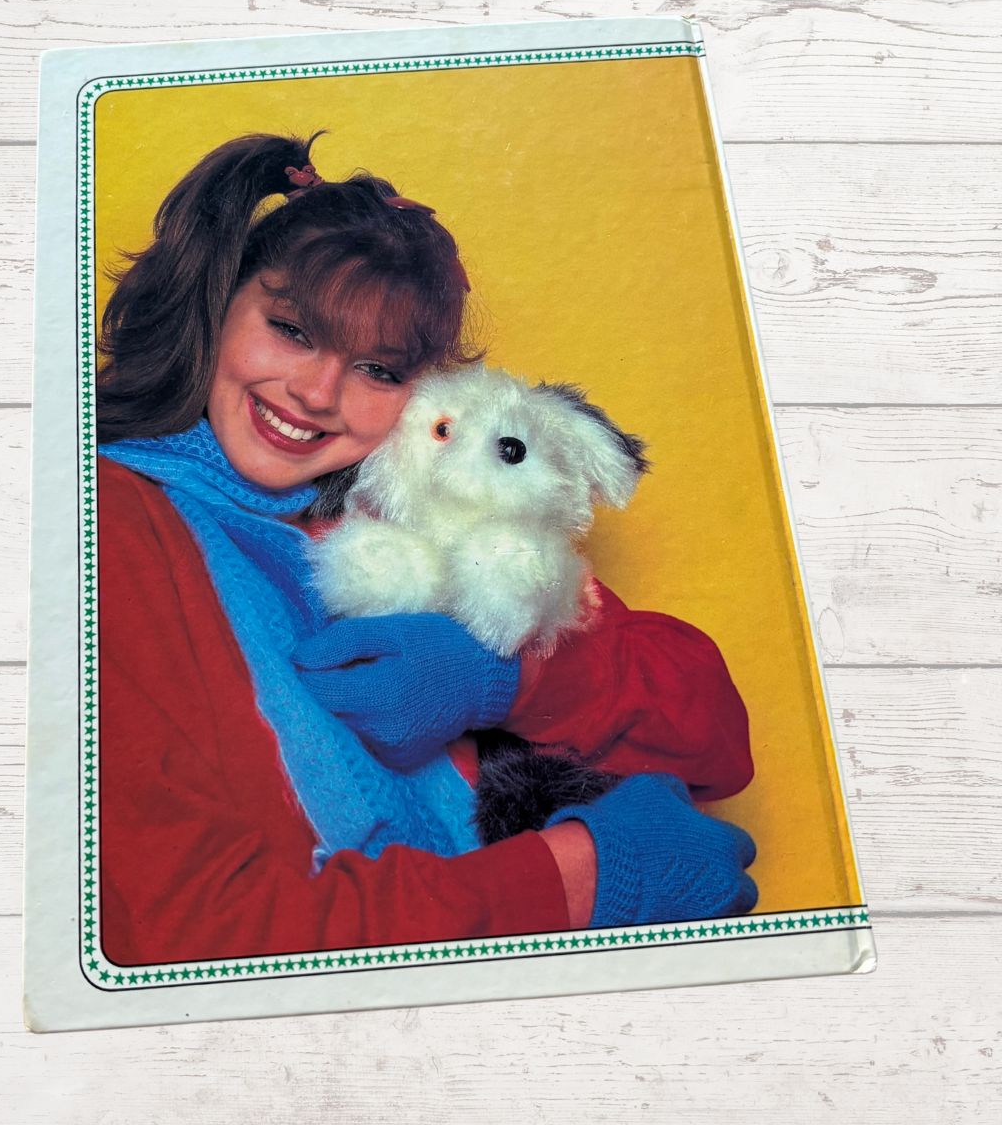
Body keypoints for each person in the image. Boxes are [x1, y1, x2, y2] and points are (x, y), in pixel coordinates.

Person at [96, 132, 757, 966]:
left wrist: (507, 677)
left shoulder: (419, 511)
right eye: (291, 329)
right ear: (217, 305)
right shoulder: (109, 524)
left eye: (378, 370)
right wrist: (573, 879)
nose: (317, 393)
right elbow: (184, 942)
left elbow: (715, 737)